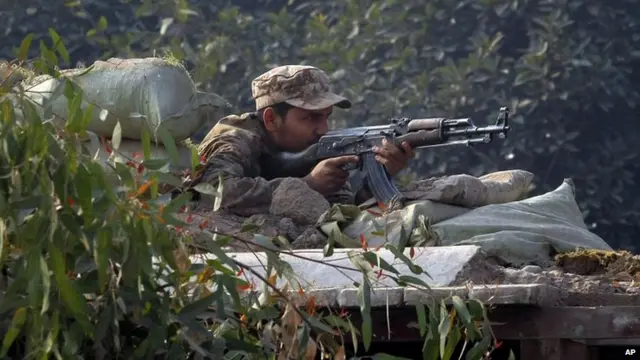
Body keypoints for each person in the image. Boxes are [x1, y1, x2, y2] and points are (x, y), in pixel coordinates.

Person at [191, 65, 415, 216]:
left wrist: (383, 173)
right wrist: (308, 186)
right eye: (311, 117)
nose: (323, 129)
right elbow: (215, 193)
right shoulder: (234, 141)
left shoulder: (308, 148)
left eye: (327, 117)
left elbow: (343, 207)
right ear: (271, 119)